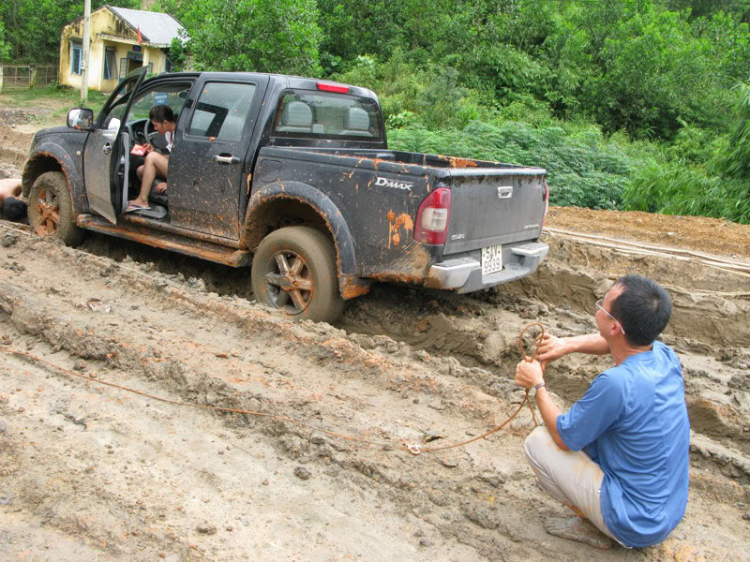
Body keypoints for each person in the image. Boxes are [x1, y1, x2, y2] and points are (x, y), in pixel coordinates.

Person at [515, 275, 689, 550]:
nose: (597, 309)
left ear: (614, 326)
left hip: (635, 523)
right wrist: (567, 344)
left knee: (539, 443)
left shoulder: (616, 384)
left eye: (602, 307)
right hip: (666, 510)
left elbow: (563, 436)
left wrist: (537, 384)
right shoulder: (663, 354)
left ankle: (601, 527)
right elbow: (612, 342)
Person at [126, 105, 176, 213]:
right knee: (141, 171)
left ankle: (142, 201)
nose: (155, 129)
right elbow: (172, 157)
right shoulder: (169, 134)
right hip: (175, 167)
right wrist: (154, 152)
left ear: (165, 123)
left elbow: (184, 162)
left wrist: (171, 183)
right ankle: (157, 201)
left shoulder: (179, 134)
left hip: (182, 173)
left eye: (156, 125)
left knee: (152, 157)